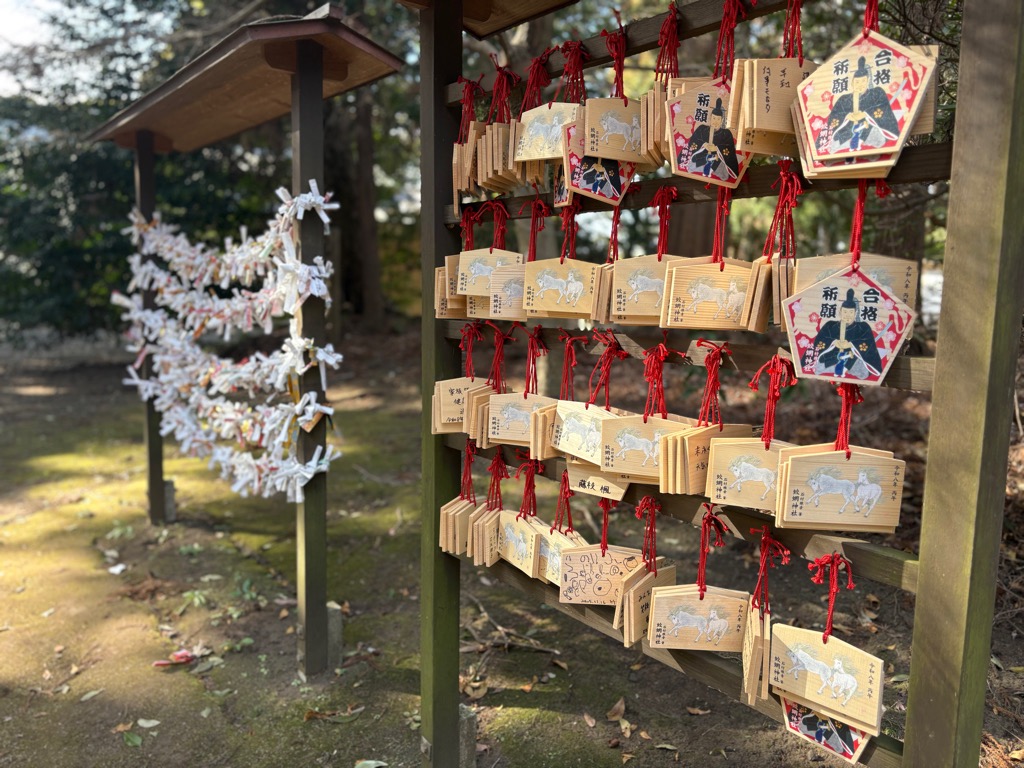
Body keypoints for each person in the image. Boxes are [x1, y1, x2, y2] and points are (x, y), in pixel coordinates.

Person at [824, 56, 900, 153]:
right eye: (857, 82)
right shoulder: (844, 99)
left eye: (863, 81)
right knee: (835, 143)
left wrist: (866, 114)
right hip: (848, 132)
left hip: (869, 129)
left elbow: (883, 108)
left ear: (868, 81)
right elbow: (835, 115)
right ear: (852, 83)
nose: (860, 84)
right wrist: (847, 116)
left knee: (877, 137)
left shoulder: (876, 93)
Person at [812, 288, 882, 379]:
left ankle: (844, 369)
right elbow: (820, 340)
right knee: (819, 366)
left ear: (855, 313)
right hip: (833, 357)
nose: (847, 315)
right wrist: (833, 342)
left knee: (863, 371)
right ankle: (837, 369)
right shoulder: (830, 325)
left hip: (853, 359)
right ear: (840, 312)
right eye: (845, 312)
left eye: (851, 312)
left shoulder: (863, 327)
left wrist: (851, 344)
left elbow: (869, 344)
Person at [683, 98, 740, 181]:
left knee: (724, 173)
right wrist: (704, 145)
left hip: (717, 160)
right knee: (692, 164)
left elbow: (730, 149)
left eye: (718, 119)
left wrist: (717, 148)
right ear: (710, 118)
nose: (715, 122)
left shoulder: (726, 133)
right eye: (714, 118)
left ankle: (711, 169)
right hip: (702, 158)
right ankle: (706, 168)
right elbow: (693, 141)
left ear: (722, 120)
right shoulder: (702, 129)